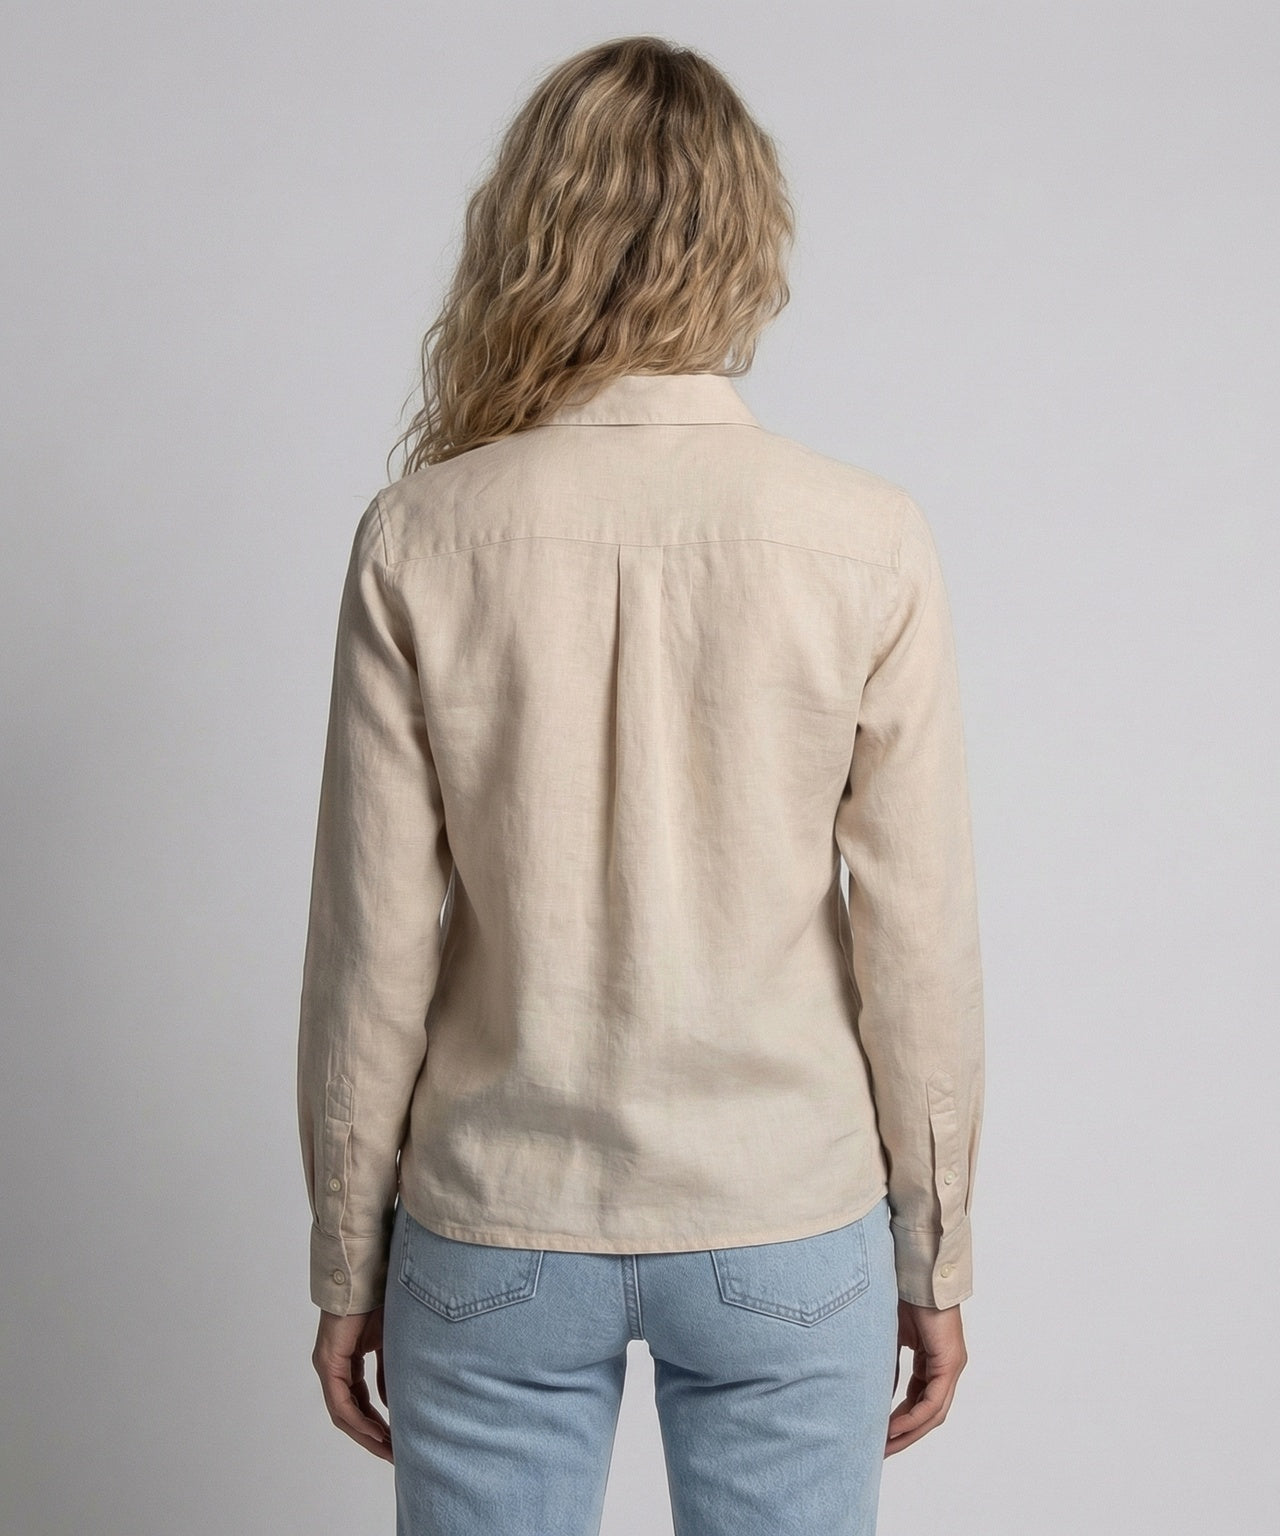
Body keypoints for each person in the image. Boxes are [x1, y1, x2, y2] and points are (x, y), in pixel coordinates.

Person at [296, 33, 985, 1536]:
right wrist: (934, 1253)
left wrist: (348, 1259)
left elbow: (370, 946)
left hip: (497, 1219)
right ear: (747, 239)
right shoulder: (865, 537)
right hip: (784, 1212)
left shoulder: (422, 535)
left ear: (525, 230)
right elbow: (916, 938)